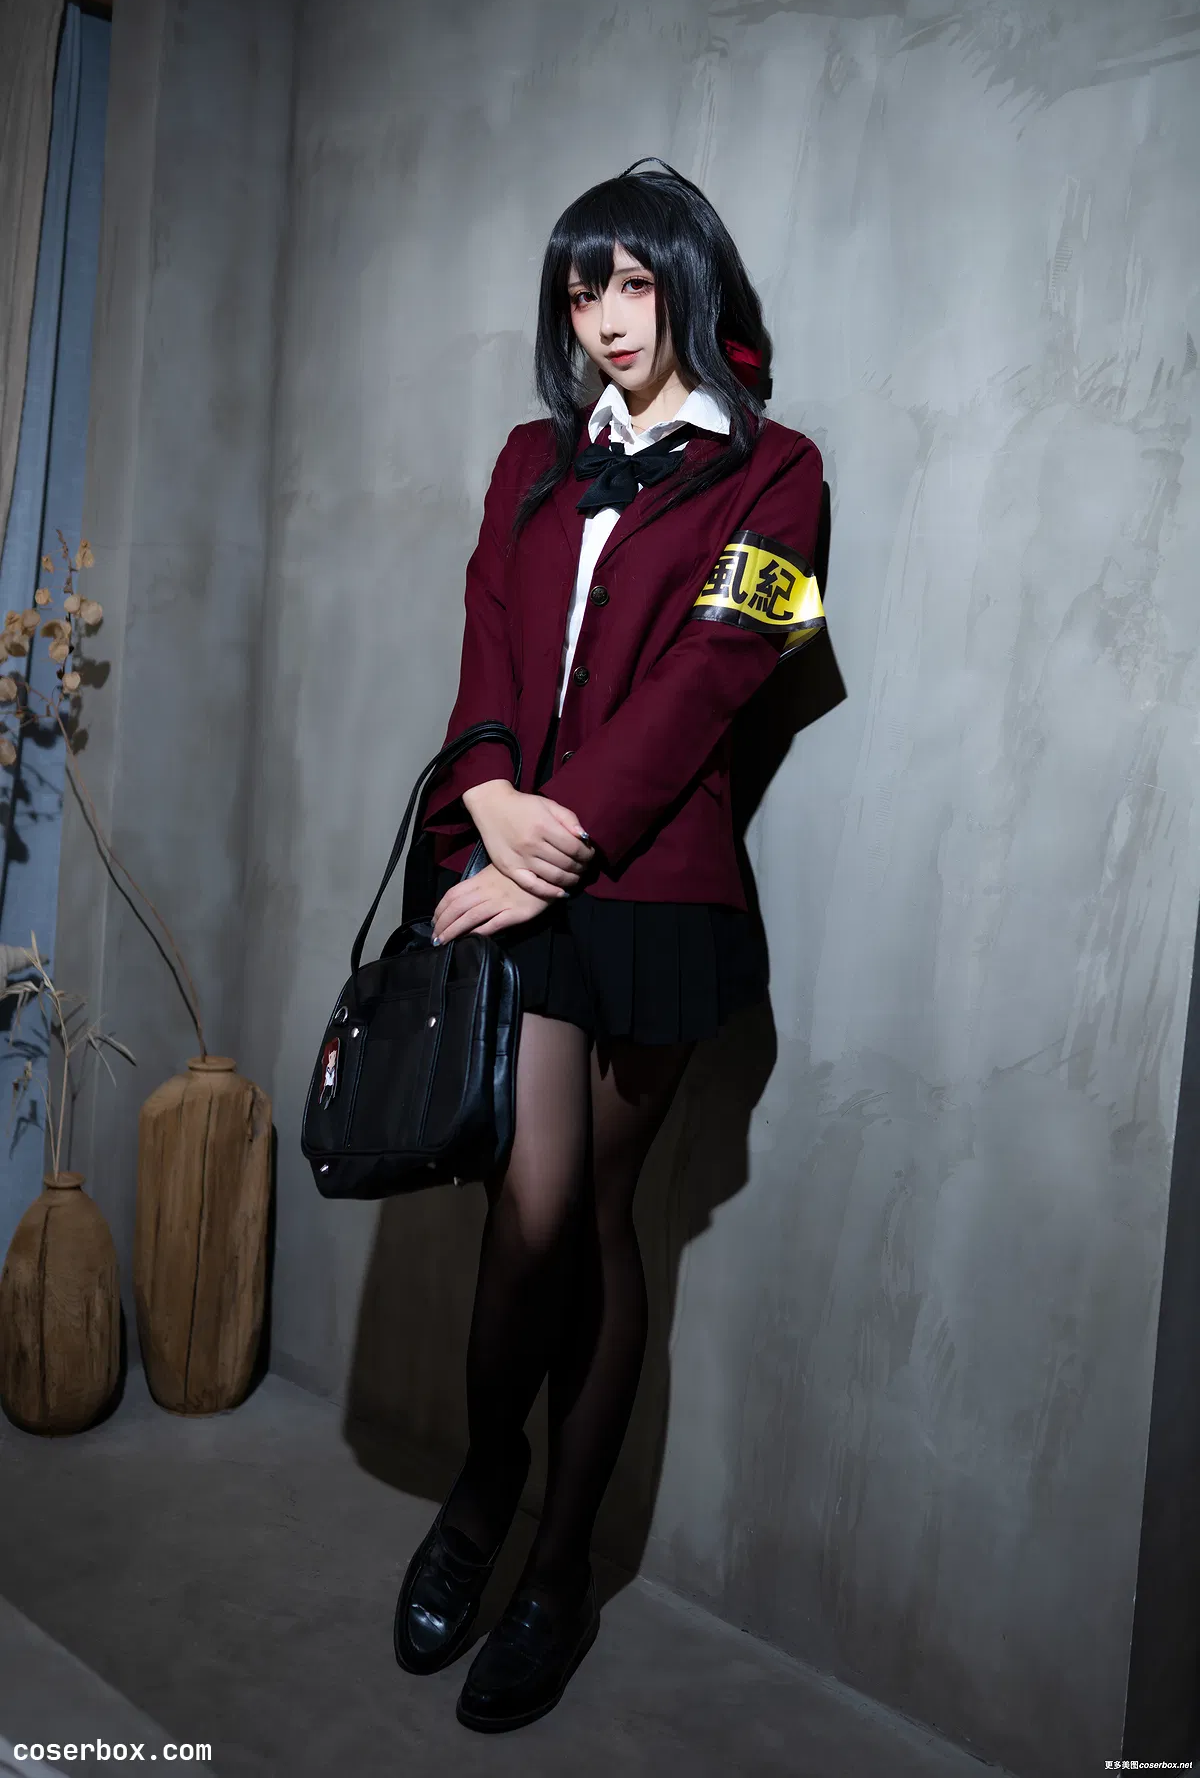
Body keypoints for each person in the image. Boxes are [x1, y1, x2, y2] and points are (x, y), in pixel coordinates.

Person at [392, 156, 825, 1734]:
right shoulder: (532, 459)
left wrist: (557, 839)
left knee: (597, 1226)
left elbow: (720, 673)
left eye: (635, 284)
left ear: (689, 286)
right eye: (584, 291)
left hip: (654, 892)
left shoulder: (778, 474)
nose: (608, 318)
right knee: (529, 1215)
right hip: (514, 849)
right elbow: (487, 636)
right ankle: (482, 1488)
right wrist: (492, 797)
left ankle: (560, 1574)